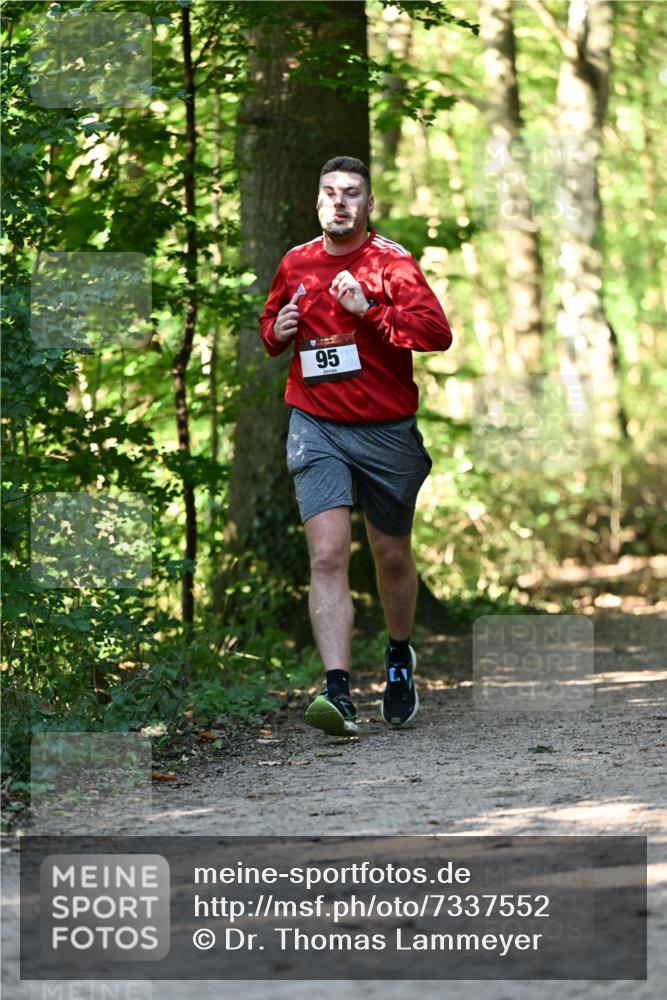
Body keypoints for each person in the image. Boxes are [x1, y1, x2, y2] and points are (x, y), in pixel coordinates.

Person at [259, 155, 453, 737]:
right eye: (328, 193)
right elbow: (271, 327)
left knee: (389, 552)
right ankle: (337, 692)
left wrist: (368, 311)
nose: (338, 202)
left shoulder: (391, 264)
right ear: (317, 203)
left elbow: (436, 334)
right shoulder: (296, 262)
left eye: (351, 194)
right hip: (315, 423)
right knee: (326, 555)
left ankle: (398, 657)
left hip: (385, 428)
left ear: (369, 205)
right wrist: (279, 331)